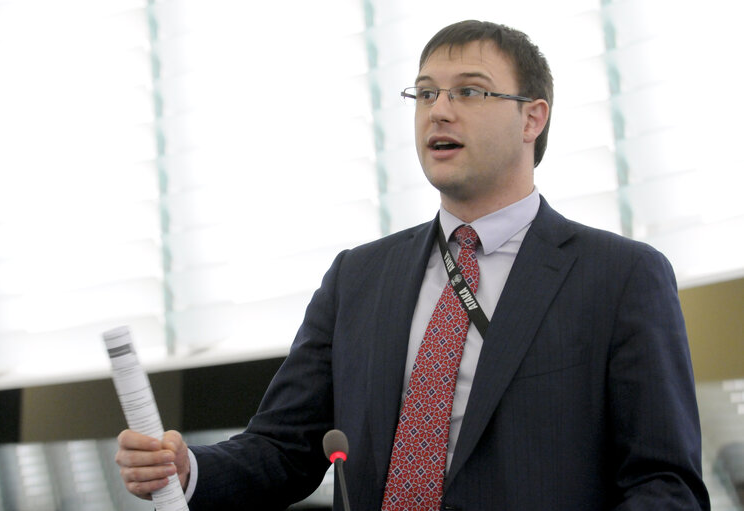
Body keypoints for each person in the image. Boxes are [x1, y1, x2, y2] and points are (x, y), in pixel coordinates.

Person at [116, 20, 710, 510]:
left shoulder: (621, 276)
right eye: (425, 93)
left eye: (468, 92)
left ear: (533, 117)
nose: (439, 111)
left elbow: (665, 485)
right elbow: (282, 447)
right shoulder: (358, 278)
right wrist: (187, 467)